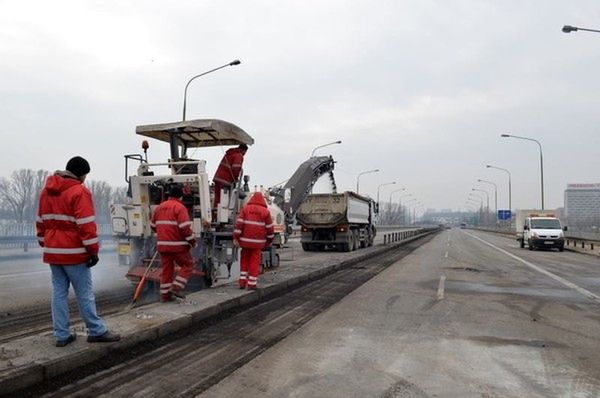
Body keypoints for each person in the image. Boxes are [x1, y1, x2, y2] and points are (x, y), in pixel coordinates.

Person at [36, 156, 121, 347]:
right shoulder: (79, 191)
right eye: (85, 175)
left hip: (53, 251)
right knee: (84, 293)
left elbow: (40, 222)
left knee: (58, 292)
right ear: (81, 174)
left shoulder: (46, 191)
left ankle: (61, 335)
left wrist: (46, 244)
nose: (85, 179)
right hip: (74, 252)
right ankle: (96, 330)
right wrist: (93, 251)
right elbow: (86, 225)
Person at [150, 184, 196, 302]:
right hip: (178, 246)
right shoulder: (180, 208)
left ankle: (165, 296)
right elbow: (185, 228)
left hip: (163, 246)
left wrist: (163, 233)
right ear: (180, 197)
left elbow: (153, 226)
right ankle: (176, 287)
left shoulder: (159, 208)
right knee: (188, 264)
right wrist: (192, 241)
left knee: (167, 271)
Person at [233, 191, 274, 290]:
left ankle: (242, 282)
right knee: (254, 262)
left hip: (245, 242)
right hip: (257, 243)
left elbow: (239, 225)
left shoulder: (246, 209)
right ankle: (251, 284)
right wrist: (269, 240)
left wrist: (236, 237)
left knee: (244, 261)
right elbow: (270, 228)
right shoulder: (265, 212)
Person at [212, 144, 248, 211]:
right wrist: (235, 179)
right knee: (224, 199)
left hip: (218, 178)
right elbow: (236, 168)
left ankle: (215, 213)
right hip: (226, 180)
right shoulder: (239, 155)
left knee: (217, 198)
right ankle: (223, 215)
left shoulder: (229, 153)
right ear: (244, 151)